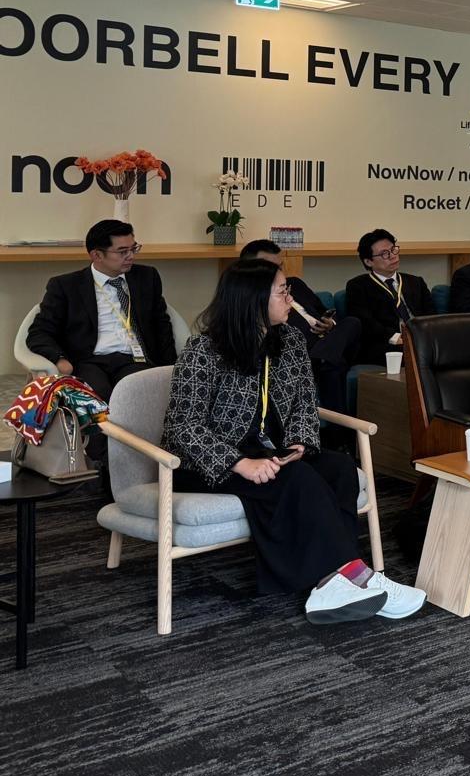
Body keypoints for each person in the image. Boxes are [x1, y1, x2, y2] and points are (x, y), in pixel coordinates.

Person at [162, 259, 424, 623]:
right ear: (253, 300)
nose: (291, 299)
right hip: (206, 461)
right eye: (283, 292)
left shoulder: (290, 340)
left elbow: (304, 400)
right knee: (297, 480)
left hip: (269, 450)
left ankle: (340, 581)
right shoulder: (204, 350)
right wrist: (240, 463)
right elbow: (183, 426)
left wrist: (300, 442)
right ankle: (356, 578)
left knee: (339, 467)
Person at [27, 218, 177, 402]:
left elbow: (161, 324)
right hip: (89, 360)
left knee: (133, 397)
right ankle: (100, 431)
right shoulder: (66, 286)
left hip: (134, 359)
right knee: (98, 399)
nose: (131, 256)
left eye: (133, 248)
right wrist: (60, 359)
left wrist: (172, 367)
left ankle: (126, 431)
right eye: (122, 251)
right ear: (97, 255)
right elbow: (39, 332)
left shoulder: (147, 277)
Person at [238, 239, 362, 415]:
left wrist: (330, 323)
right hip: (301, 349)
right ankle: (323, 360)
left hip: (325, 343)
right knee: (335, 368)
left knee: (352, 323)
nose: (278, 272)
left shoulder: (295, 284)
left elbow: (326, 311)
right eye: (270, 268)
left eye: (280, 266)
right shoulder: (256, 303)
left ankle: (322, 358)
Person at [343, 230, 435, 365]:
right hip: (386, 344)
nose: (393, 256)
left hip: (421, 339)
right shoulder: (358, 286)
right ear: (368, 261)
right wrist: (397, 337)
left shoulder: (416, 282)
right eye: (385, 254)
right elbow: (365, 322)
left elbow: (431, 315)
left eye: (393, 250)